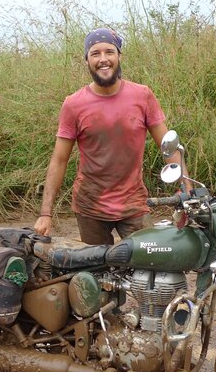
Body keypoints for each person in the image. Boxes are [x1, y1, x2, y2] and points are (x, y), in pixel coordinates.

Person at [33, 28, 174, 245]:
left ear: (119, 56)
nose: (103, 59)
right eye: (95, 54)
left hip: (133, 204)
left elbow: (168, 147)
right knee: (97, 271)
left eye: (109, 52)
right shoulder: (74, 104)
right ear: (87, 61)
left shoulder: (142, 95)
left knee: (148, 266)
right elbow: (59, 160)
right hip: (90, 207)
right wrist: (45, 213)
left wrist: (188, 189)